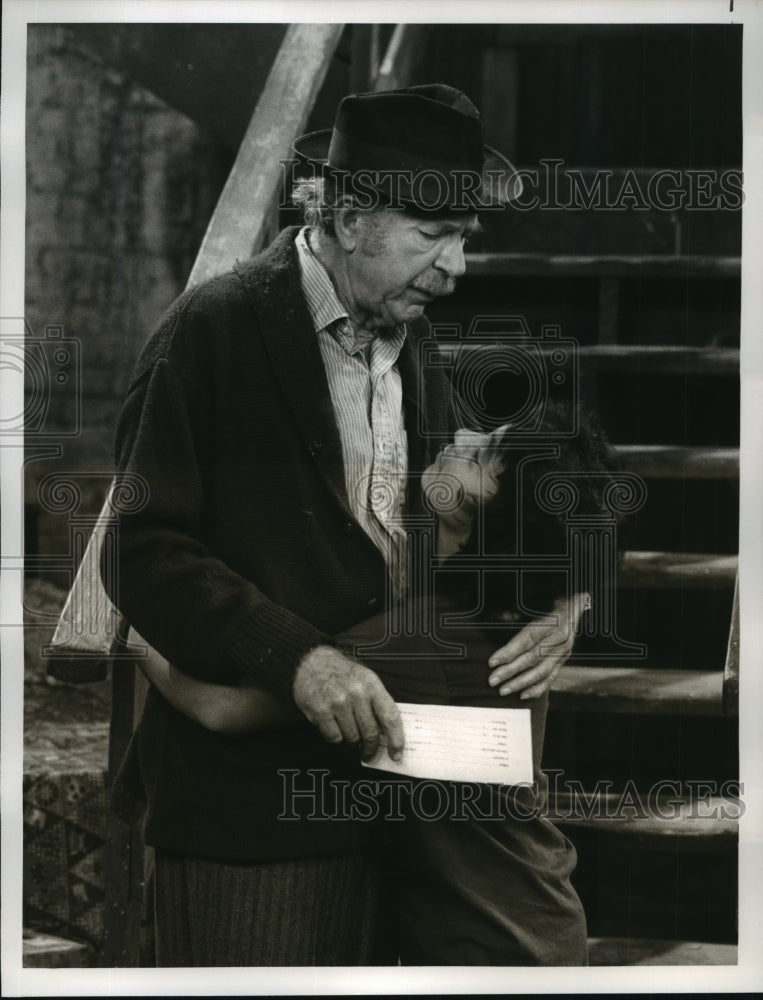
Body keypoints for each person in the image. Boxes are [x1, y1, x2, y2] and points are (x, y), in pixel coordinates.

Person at [104, 83, 590, 966]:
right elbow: (142, 550)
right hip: (263, 810)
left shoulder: (424, 348)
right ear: (350, 215)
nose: (455, 268)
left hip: (409, 800)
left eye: (464, 240)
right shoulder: (213, 333)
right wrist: (296, 656)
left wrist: (567, 599)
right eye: (431, 235)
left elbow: (544, 483)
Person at [138, 403, 619, 965]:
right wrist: (573, 597)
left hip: (494, 945)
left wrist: (134, 627)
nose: (461, 433)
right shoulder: (502, 612)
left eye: (483, 453)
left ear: (497, 515)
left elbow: (223, 709)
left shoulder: (428, 640)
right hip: (525, 923)